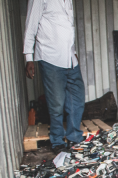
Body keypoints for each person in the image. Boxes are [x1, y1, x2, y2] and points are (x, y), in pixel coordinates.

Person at [24, 0, 85, 154]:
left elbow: (67, 27)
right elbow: (31, 26)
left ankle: (74, 137)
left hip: (70, 58)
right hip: (50, 57)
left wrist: (73, 50)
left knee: (77, 100)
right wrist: (28, 57)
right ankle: (57, 140)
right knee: (56, 103)